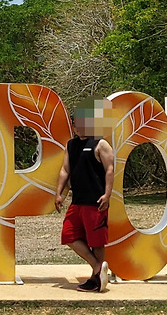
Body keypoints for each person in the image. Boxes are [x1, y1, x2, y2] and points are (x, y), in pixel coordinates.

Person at [55, 101, 115, 293]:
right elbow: (65, 170)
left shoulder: (100, 143)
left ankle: (96, 280)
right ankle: (98, 266)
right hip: (77, 200)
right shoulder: (71, 145)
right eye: (75, 123)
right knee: (68, 235)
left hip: (96, 201)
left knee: (96, 241)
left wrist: (107, 194)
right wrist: (59, 193)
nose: (78, 127)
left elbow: (110, 169)